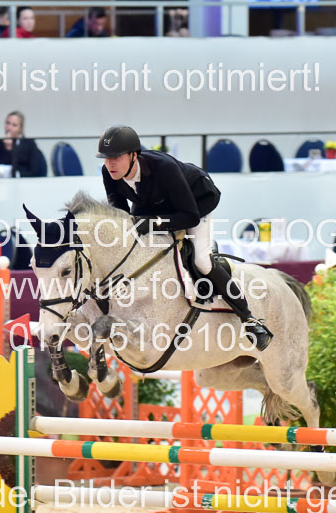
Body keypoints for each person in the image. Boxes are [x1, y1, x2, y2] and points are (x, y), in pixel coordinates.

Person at [97, 125, 273, 351]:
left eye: (116, 157)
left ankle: (249, 319)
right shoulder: (109, 173)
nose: (110, 163)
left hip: (195, 202)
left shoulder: (164, 168)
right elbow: (120, 213)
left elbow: (189, 216)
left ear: (133, 155)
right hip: (151, 203)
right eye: (106, 158)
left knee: (202, 261)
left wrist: (151, 224)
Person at [0, 111, 45, 177]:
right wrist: (8, 149)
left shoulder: (29, 143)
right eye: (7, 123)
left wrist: (17, 175)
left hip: (25, 180)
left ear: (20, 128)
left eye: (14, 125)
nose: (9, 127)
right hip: (4, 181)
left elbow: (35, 171)